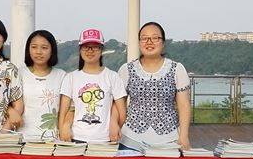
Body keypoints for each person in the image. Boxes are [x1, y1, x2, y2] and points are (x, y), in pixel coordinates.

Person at [118, 21, 191, 150]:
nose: (149, 42)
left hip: (169, 139)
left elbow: (184, 105)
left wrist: (184, 136)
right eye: (144, 38)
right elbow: (118, 104)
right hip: (130, 139)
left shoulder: (177, 69)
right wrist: (115, 125)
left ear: (163, 42)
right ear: (139, 42)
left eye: (155, 38)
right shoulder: (126, 69)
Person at [58, 28, 126, 144]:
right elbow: (63, 111)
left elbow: (122, 112)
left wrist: (114, 130)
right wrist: (62, 131)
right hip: (76, 139)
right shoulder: (71, 78)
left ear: (102, 49)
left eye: (95, 47)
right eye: (86, 47)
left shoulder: (112, 76)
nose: (90, 51)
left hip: (104, 141)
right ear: (80, 49)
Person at [20, 29, 67, 139]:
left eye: (44, 48)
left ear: (52, 51)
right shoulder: (19, 73)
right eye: (34, 47)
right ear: (28, 50)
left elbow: (68, 108)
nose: (39, 52)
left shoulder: (62, 76)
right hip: (23, 137)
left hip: (52, 139)